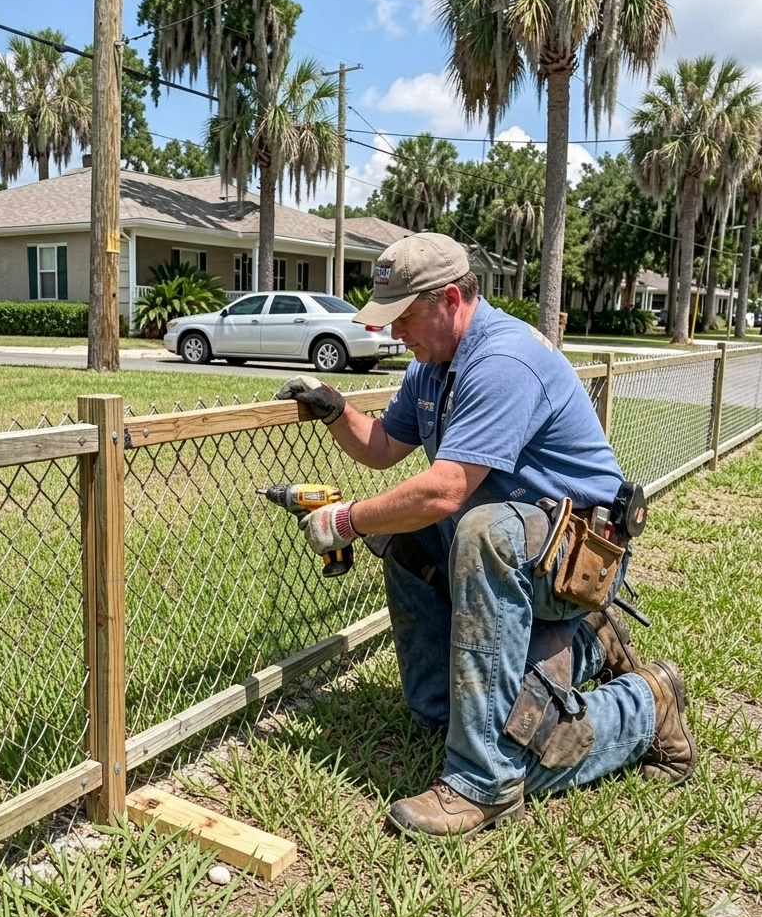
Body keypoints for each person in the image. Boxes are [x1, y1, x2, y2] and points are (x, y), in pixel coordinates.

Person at [276, 232, 696, 839]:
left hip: (573, 561)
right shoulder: (432, 366)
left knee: (530, 744)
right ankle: (555, 659)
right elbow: (384, 447)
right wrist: (338, 411)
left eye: (404, 316)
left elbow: (447, 489)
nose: (394, 332)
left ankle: (613, 721)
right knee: (411, 539)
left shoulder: (502, 360)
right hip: (517, 555)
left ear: (450, 299)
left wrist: (346, 520)